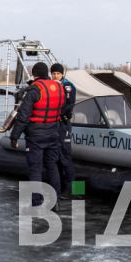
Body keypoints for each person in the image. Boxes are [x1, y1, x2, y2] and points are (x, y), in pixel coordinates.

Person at [9, 62, 64, 208]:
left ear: (35, 75)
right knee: (52, 166)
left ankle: (36, 201)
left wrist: (14, 136)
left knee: (35, 168)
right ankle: (56, 199)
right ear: (47, 73)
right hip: (53, 133)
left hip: (36, 136)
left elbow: (23, 116)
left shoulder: (34, 90)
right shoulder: (59, 87)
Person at [50, 63, 76, 199]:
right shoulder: (51, 86)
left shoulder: (68, 86)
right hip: (55, 124)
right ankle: (60, 189)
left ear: (62, 74)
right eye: (53, 73)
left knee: (66, 158)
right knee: (57, 158)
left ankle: (76, 191)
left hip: (63, 124)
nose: (55, 76)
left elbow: (69, 104)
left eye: (58, 74)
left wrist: (57, 114)